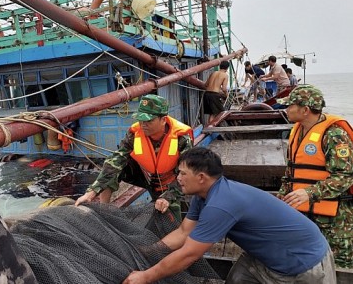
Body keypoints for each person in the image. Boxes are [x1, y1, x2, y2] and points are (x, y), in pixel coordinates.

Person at [123, 147, 336, 284]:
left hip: (303, 263)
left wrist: (145, 276)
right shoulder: (202, 195)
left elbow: (190, 254)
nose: (177, 178)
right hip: (263, 256)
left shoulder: (220, 204)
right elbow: (183, 233)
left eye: (182, 173)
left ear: (201, 177)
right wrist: (148, 252)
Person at [75, 94, 193, 220]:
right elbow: (116, 160)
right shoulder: (134, 134)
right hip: (146, 177)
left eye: (148, 121)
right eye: (141, 120)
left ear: (163, 120)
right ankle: (105, 212)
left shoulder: (182, 139)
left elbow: (187, 174)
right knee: (115, 166)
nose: (143, 124)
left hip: (171, 184)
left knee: (173, 222)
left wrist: (168, 196)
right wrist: (92, 191)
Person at [276, 85, 353, 268]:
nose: (285, 109)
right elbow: (291, 172)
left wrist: (310, 192)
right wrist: (281, 196)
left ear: (305, 110)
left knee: (338, 267)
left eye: (290, 105)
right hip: (303, 213)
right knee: (306, 263)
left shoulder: (334, 135)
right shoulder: (296, 130)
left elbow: (346, 176)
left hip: (334, 218)